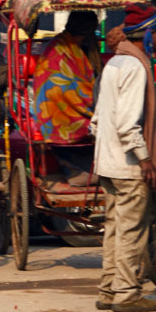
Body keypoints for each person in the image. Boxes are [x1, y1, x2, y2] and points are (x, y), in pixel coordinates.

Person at [91, 5, 156, 312]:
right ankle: (126, 293)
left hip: (107, 162)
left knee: (113, 228)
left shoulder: (114, 64)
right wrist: (145, 158)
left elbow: (98, 120)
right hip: (127, 164)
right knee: (131, 230)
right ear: (148, 34)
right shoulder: (137, 67)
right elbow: (127, 122)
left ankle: (109, 289)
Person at [32, 10, 101, 184]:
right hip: (57, 106)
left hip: (66, 101)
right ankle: (79, 170)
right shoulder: (61, 48)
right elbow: (70, 85)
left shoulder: (74, 47)